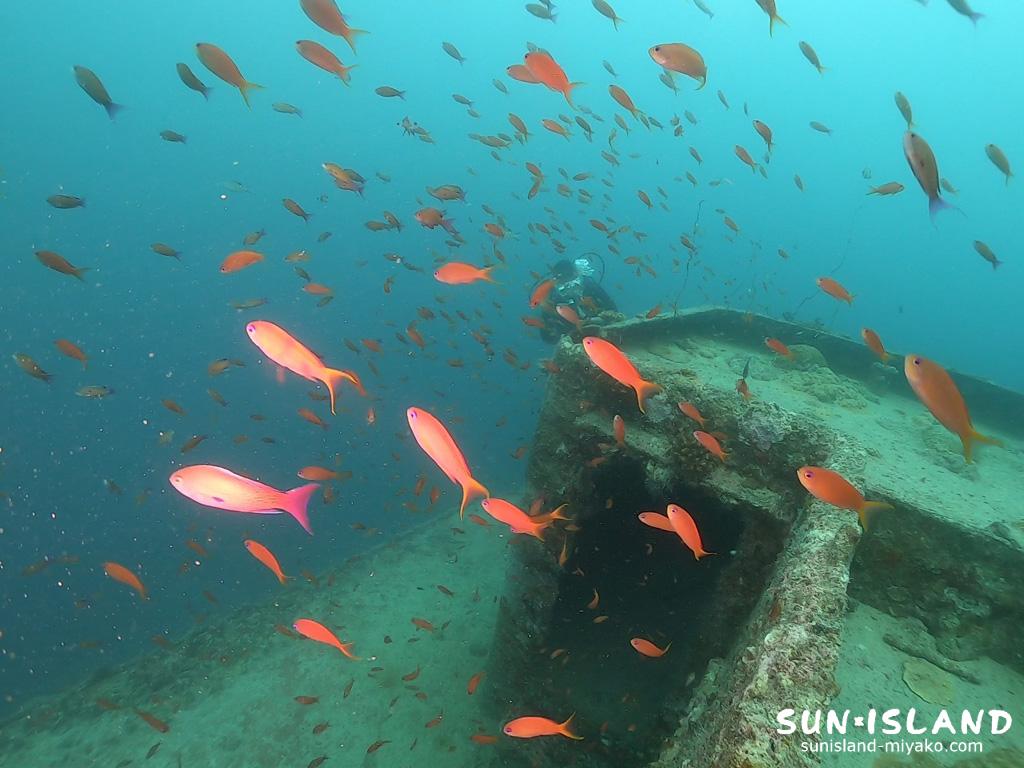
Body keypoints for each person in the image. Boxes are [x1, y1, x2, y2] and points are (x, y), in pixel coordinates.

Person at [536, 253, 617, 342]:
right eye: (563, 279)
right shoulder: (554, 297)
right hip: (573, 337)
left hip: (602, 331)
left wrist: (598, 319)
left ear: (576, 274)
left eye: (569, 276)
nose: (568, 284)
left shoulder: (589, 285)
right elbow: (548, 338)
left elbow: (613, 309)